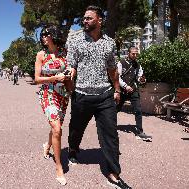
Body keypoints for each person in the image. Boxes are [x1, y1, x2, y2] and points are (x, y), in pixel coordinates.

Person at [66, 6, 131, 189]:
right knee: (76, 129)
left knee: (110, 134)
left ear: (99, 20)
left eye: (89, 18)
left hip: (104, 96)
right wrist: (70, 78)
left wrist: (117, 89)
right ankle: (73, 148)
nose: (84, 21)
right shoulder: (76, 41)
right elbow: (72, 65)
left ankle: (113, 172)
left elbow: (112, 69)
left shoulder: (109, 43)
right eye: (84, 18)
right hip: (82, 95)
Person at [34, 25, 70, 186]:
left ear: (53, 35)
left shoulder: (64, 53)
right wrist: (54, 78)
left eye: (46, 34)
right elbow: (37, 79)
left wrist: (69, 76)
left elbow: (69, 73)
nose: (43, 37)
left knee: (56, 128)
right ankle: (58, 166)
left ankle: (47, 145)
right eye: (42, 34)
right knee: (57, 129)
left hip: (63, 95)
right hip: (47, 94)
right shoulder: (41, 55)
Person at [116, 46, 152, 141]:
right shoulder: (121, 63)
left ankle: (139, 132)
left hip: (133, 90)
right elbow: (117, 77)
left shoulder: (138, 65)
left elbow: (140, 77)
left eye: (136, 53)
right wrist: (125, 86)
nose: (135, 55)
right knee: (116, 108)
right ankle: (109, 125)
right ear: (128, 53)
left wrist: (142, 80)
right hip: (123, 90)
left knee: (138, 110)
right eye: (133, 53)